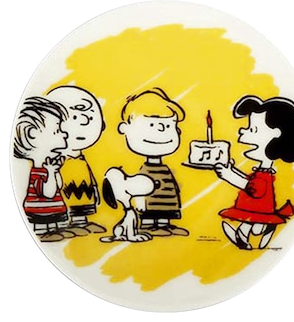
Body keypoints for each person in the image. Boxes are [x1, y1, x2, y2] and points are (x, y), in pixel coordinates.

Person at [214, 95, 294, 249]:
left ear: (275, 134)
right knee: (253, 225)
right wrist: (231, 170)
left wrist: (229, 175)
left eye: (253, 130)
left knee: (251, 223)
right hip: (255, 206)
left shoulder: (264, 177)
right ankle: (257, 231)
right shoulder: (263, 172)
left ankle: (245, 236)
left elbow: (253, 188)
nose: (242, 131)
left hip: (256, 207)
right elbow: (249, 182)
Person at [117, 87, 189, 236]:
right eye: (151, 125)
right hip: (148, 203)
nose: (161, 130)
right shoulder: (144, 171)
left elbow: (172, 187)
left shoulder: (165, 170)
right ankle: (147, 224)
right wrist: (140, 202)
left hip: (167, 202)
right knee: (148, 212)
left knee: (165, 212)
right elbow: (140, 188)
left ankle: (164, 224)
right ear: (125, 129)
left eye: (168, 126)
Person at [47, 86, 106, 235]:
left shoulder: (82, 159)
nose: (83, 123)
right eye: (74, 118)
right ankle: (67, 223)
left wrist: (95, 188)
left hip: (85, 189)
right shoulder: (58, 161)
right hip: (65, 190)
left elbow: (90, 175)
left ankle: (81, 222)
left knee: (83, 206)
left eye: (90, 118)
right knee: (68, 203)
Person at [13, 96, 74, 242]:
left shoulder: (48, 168)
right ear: (32, 134)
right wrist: (51, 172)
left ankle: (53, 232)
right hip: (40, 213)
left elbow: (59, 186)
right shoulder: (38, 172)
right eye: (57, 130)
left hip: (53, 211)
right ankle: (47, 234)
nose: (65, 134)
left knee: (56, 228)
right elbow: (48, 192)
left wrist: (55, 172)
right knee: (46, 230)